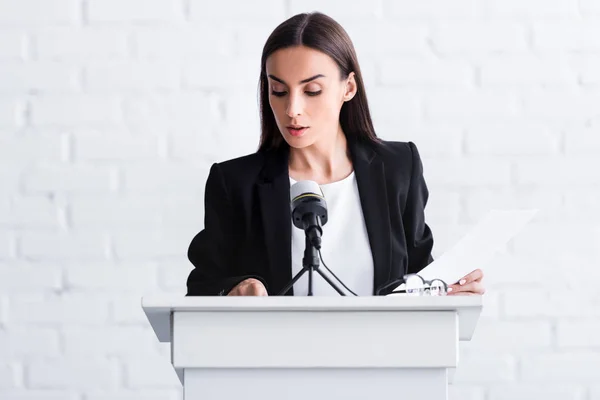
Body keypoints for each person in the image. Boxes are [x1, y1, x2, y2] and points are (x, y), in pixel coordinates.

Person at [186, 12, 485, 297]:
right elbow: (202, 287)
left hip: (384, 350)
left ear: (349, 87)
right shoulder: (235, 183)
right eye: (278, 91)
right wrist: (235, 289)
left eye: (312, 90)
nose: (293, 110)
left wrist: (451, 289)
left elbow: (418, 275)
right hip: (277, 351)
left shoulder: (397, 167)